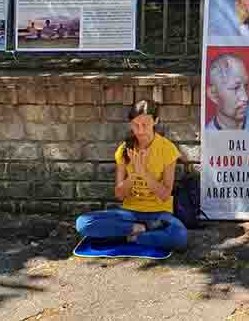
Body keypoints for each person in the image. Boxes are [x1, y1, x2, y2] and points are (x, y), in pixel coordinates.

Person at [75, 100, 187, 252]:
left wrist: (144, 173)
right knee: (83, 223)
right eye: (135, 125)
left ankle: (129, 237)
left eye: (145, 125)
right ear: (130, 124)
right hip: (129, 215)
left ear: (155, 121)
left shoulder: (167, 149)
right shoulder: (124, 149)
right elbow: (120, 195)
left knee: (179, 236)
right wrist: (133, 175)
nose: (140, 131)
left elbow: (165, 195)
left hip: (159, 216)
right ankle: (140, 230)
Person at [206, 53, 249, 131]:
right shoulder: (209, 136)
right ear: (213, 94)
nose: (245, 98)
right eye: (235, 88)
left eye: (246, 86)